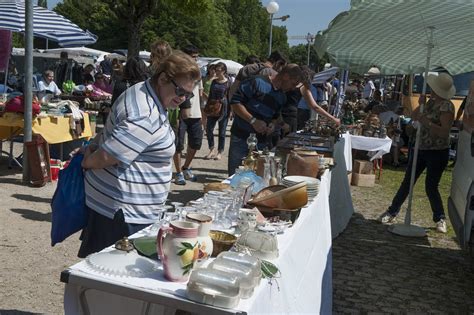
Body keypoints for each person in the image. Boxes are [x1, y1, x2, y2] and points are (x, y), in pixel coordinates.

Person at [77, 51, 200, 257]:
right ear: (162, 78)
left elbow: (114, 132)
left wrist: (93, 146)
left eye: (189, 94)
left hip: (120, 208)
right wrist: (86, 161)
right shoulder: (146, 114)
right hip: (124, 213)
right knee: (111, 276)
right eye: (180, 91)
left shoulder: (142, 90)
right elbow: (108, 157)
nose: (183, 98)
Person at [378, 73, 456, 233]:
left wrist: (425, 121)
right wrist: (420, 105)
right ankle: (392, 211)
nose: (430, 90)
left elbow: (444, 132)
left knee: (431, 186)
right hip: (419, 148)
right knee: (407, 182)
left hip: (437, 151)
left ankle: (440, 218)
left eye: (433, 88)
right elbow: (412, 117)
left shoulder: (447, 106)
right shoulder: (429, 104)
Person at [227, 64, 305, 175]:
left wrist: (272, 125)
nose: (292, 88)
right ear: (286, 76)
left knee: (257, 176)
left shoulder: (282, 96)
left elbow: (274, 116)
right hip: (241, 137)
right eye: (293, 84)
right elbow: (235, 103)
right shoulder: (256, 82)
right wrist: (253, 121)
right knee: (235, 175)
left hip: (261, 142)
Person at [173, 44, 203, 185]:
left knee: (196, 143)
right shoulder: (177, 72)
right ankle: (178, 172)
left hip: (196, 113)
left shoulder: (198, 73)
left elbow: (200, 94)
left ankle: (186, 167)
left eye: (197, 57)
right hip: (180, 113)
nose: (195, 60)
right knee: (178, 144)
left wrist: (204, 115)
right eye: (193, 57)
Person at [204, 62, 231, 160]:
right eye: (216, 70)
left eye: (218, 70)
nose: (216, 72)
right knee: (209, 129)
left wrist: (231, 111)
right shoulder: (214, 82)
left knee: (222, 132)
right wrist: (207, 107)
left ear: (224, 71)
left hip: (224, 108)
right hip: (212, 107)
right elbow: (210, 94)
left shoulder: (228, 82)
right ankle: (211, 149)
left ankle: (220, 151)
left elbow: (230, 97)